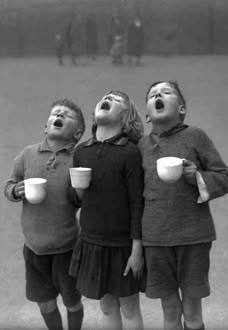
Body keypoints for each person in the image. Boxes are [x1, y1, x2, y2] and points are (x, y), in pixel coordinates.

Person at [138, 80, 228, 330]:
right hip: (155, 240)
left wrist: (196, 176)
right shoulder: (140, 147)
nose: (158, 95)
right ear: (147, 116)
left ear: (181, 109)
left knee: (191, 311)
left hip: (193, 237)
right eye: (152, 95)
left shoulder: (195, 136)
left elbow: (225, 178)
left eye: (166, 92)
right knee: (170, 311)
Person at [4, 99, 86, 330]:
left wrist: (80, 189)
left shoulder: (78, 160)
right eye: (55, 113)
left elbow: (80, 200)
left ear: (77, 133)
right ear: (46, 126)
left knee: (72, 301)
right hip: (34, 248)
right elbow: (10, 184)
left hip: (66, 248)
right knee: (45, 303)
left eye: (67, 115)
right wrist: (14, 190)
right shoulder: (27, 155)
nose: (59, 114)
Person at [69, 91, 145, 330]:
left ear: (126, 118)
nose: (109, 99)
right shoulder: (82, 151)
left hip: (123, 246)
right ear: (94, 114)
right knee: (107, 308)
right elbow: (77, 200)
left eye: (117, 100)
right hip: (91, 242)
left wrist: (136, 251)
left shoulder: (130, 152)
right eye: (106, 97)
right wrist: (78, 190)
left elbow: (137, 204)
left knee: (130, 309)